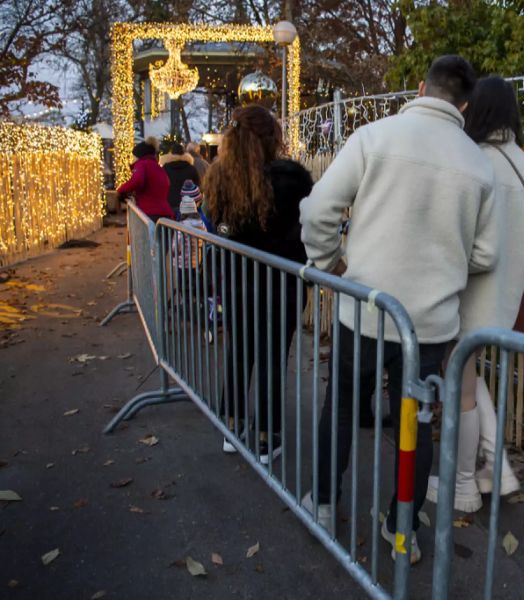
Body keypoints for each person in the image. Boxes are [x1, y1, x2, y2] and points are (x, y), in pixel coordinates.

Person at [299, 55, 498, 564]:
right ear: (465, 103)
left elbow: (319, 208)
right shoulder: (479, 166)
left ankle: (322, 504)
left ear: (420, 87)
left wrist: (330, 265)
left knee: (341, 407)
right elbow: (485, 255)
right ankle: (401, 525)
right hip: (429, 324)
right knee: (415, 422)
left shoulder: (374, 136)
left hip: (363, 307)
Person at [426, 76, 524, 512]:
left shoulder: (476, 161)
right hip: (504, 297)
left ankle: (464, 484)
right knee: (472, 379)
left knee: (463, 389)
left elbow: (464, 238)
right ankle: (498, 466)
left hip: (471, 293)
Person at [203, 104, 314, 465]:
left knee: (241, 351)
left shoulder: (219, 179)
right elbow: (305, 228)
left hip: (237, 281)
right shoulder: (291, 181)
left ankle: (231, 425)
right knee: (272, 357)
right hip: (281, 284)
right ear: (272, 139)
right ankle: (267, 435)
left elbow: (220, 228)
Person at [116, 141, 173, 221]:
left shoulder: (142, 164)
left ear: (139, 155)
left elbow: (137, 180)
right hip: (166, 214)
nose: (133, 159)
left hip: (149, 214)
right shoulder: (159, 168)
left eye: (134, 156)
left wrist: (120, 190)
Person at [161, 143, 200, 219]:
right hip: (188, 206)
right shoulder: (191, 168)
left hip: (170, 204)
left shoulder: (165, 168)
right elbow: (198, 185)